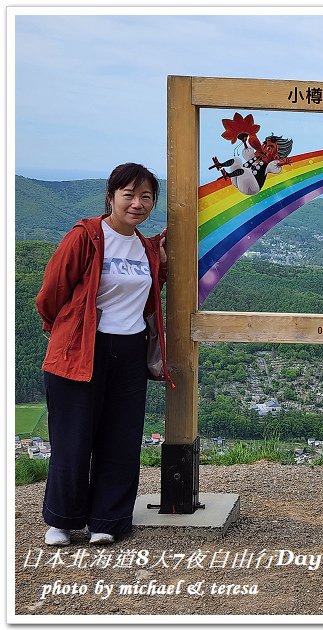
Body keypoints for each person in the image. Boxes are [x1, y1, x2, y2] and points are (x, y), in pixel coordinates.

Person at [36, 163, 170, 546]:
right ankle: (62, 520)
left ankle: (107, 521)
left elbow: (148, 291)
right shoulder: (87, 236)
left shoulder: (145, 247)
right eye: (129, 195)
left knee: (121, 438)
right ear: (110, 197)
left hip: (129, 350)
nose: (137, 203)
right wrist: (65, 333)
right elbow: (51, 294)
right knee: (73, 438)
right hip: (81, 349)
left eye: (146, 197)